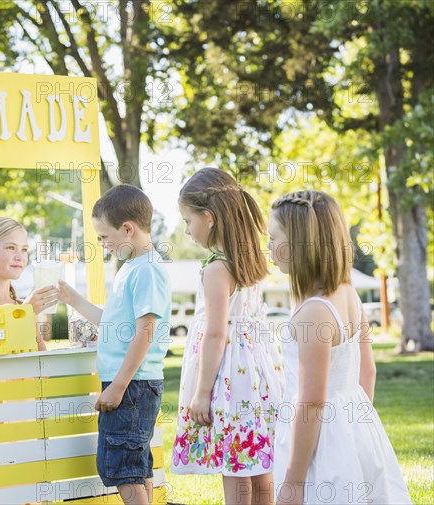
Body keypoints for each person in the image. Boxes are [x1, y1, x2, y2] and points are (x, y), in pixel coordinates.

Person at [269, 190, 412, 505]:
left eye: (274, 237)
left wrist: (293, 482)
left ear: (299, 244)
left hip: (321, 440)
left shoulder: (314, 313)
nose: (268, 246)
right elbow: (368, 371)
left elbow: (312, 402)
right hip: (356, 426)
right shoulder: (348, 293)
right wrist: (356, 429)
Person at [172, 167, 284, 505]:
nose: (187, 231)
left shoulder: (217, 269)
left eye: (188, 221)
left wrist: (202, 393)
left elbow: (216, 333)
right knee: (258, 459)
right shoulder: (248, 264)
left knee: (234, 464)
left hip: (228, 381)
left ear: (209, 218)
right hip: (256, 376)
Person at [58, 185, 171, 505]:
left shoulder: (146, 271)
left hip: (132, 385)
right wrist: (74, 299)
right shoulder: (133, 268)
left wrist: (118, 387)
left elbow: (145, 331)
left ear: (127, 229)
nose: (103, 244)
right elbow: (113, 321)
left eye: (104, 237)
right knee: (135, 465)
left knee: (122, 467)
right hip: (132, 383)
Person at [0, 216, 60, 351]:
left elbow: (42, 365)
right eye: (11, 248)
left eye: (24, 249)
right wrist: (26, 313)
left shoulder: (23, 305)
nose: (20, 257)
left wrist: (27, 313)